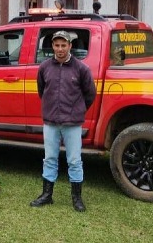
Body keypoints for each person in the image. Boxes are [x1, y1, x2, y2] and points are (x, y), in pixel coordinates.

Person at [30, 30, 96, 212]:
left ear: (70, 46)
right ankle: (46, 195)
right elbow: (42, 91)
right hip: (50, 122)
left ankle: (77, 198)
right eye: (57, 45)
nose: (60, 49)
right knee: (49, 158)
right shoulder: (44, 67)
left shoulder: (81, 69)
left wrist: (77, 110)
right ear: (52, 46)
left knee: (74, 160)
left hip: (72, 123)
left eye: (63, 45)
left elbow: (90, 94)